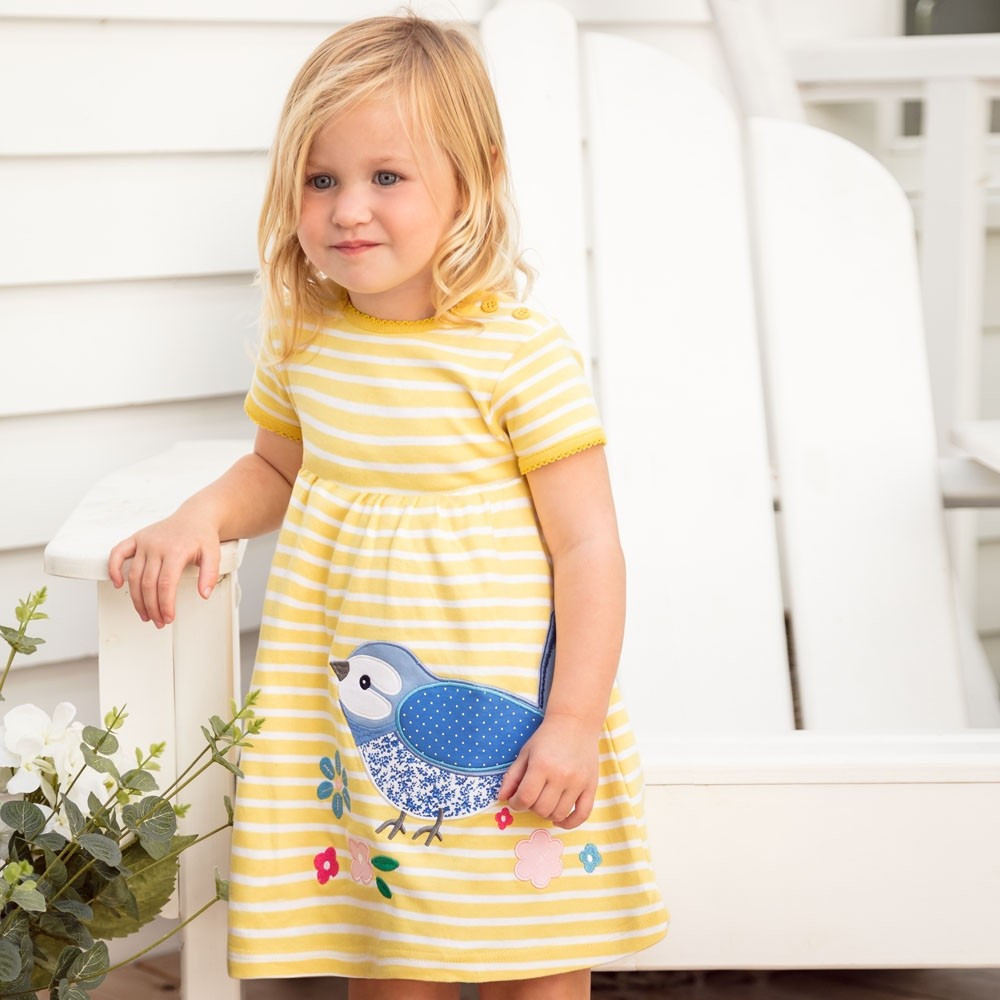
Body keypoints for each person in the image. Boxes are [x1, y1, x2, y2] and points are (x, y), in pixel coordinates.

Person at [107, 10, 668, 998]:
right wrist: (201, 515)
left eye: (387, 176)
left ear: (474, 178)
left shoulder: (517, 354)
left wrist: (574, 719)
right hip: (362, 731)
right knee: (389, 946)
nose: (348, 209)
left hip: (512, 722)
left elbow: (588, 545)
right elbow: (276, 470)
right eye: (321, 179)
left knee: (534, 953)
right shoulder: (306, 341)